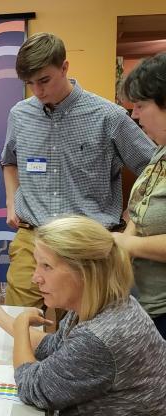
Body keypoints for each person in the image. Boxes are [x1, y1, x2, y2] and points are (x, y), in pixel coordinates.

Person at [1, 32, 156, 308]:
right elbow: (9, 160)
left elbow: (152, 166)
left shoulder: (110, 116)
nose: (37, 91)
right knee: (19, 321)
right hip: (32, 237)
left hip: (87, 243)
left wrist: (132, 216)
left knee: (84, 331)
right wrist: (12, 201)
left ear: (64, 68)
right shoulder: (19, 114)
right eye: (30, 83)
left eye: (44, 80)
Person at [0, 216, 166, 416]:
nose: (35, 277)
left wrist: (22, 323)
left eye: (47, 266)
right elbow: (53, 347)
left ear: (85, 272)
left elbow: (33, 387)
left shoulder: (99, 337)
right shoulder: (103, 304)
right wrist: (0, 317)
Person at [113, 53, 166, 339]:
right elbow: (140, 207)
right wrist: (124, 243)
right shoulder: (160, 150)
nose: (134, 115)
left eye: (142, 105)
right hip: (147, 304)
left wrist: (127, 243)